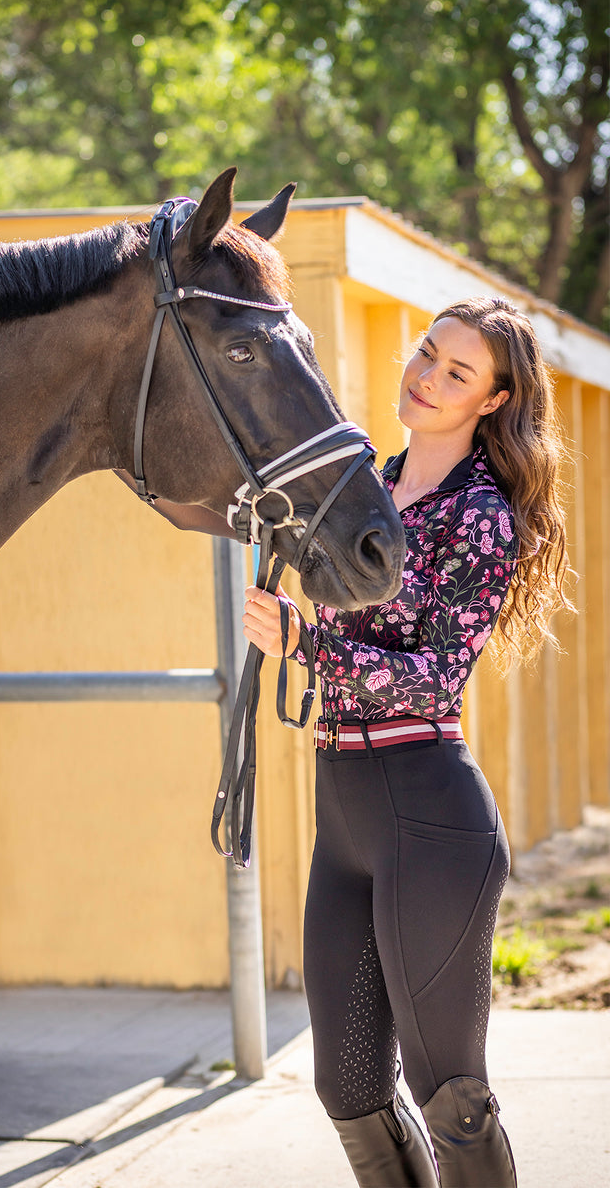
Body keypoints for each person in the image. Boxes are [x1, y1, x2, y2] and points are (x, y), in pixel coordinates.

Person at [243, 297, 572, 1188]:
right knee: (346, 1086)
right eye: (427, 353)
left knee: (449, 1091)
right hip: (342, 807)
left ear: (494, 401)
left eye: (457, 372)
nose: (425, 377)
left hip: (430, 816)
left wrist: (307, 642)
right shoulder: (364, 490)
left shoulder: (482, 516)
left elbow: (433, 674)